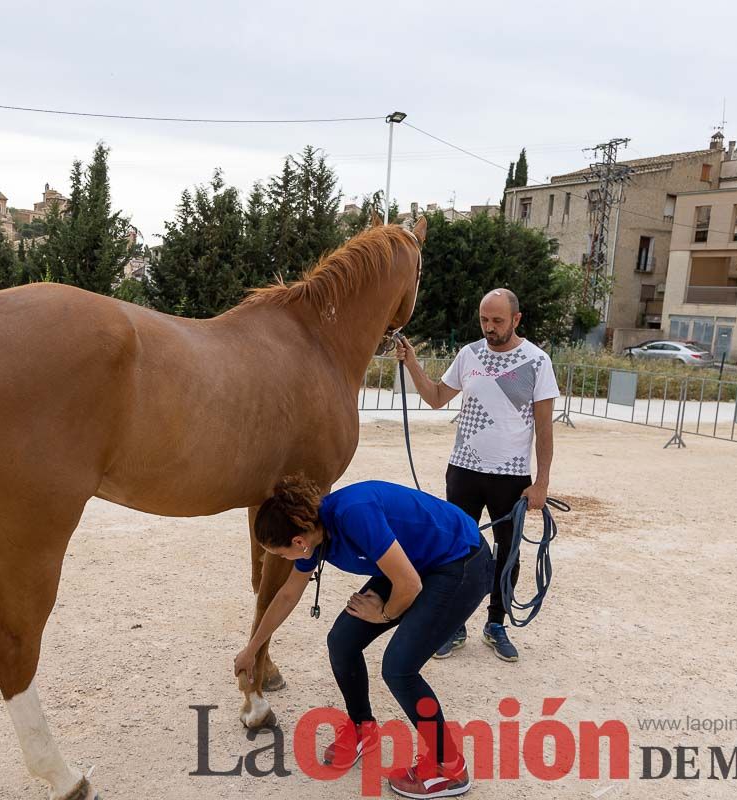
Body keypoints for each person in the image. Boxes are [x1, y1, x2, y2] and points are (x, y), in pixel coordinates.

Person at [234, 476, 492, 799]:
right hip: (416, 562)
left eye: (281, 554)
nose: (285, 560)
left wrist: (384, 614)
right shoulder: (314, 532)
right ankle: (362, 729)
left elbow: (409, 585)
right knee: (341, 641)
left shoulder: (353, 515)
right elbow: (287, 595)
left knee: (398, 668)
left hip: (461, 562)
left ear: (299, 542)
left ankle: (449, 766)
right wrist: (252, 649)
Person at [395, 287, 558, 662]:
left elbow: (545, 429)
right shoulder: (469, 354)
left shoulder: (535, 362)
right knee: (458, 552)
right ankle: (454, 626)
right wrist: (412, 364)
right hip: (464, 471)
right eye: (485, 319)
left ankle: (496, 623)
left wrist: (542, 482)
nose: (490, 327)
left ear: (516, 319)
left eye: (498, 321)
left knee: (508, 553)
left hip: (511, 476)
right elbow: (437, 397)